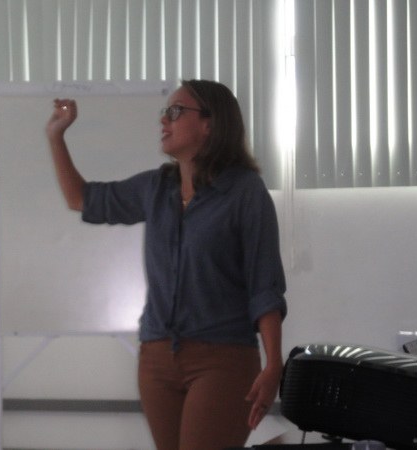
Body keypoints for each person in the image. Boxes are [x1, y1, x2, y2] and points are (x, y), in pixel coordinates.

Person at [45, 79, 288, 450]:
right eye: (165, 112)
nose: (164, 120)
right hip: (157, 358)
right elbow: (81, 199)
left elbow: (265, 286)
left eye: (175, 112)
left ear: (209, 123)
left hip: (222, 359)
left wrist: (273, 365)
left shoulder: (244, 191)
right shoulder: (157, 188)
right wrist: (56, 137)